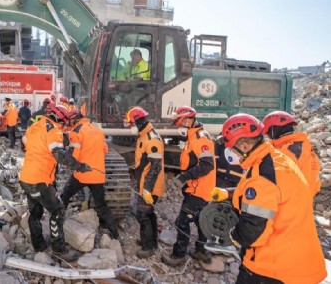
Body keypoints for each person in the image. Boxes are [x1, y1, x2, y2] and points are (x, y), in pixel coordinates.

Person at [219, 113, 327, 283]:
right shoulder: (278, 160)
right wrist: (230, 194)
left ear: (245, 146)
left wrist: (233, 235)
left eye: (232, 149)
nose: (233, 154)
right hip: (297, 260)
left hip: (273, 268)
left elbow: (253, 232)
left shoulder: (262, 175)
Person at [20, 104, 92, 262]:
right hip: (40, 180)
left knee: (35, 213)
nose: (65, 125)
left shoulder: (35, 126)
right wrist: (79, 166)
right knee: (58, 210)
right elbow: (61, 156)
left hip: (27, 177)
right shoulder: (53, 130)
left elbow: (23, 145)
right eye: (65, 122)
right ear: (60, 118)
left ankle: (39, 246)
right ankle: (59, 249)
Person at [162, 105, 216, 266]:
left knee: (182, 222)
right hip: (198, 188)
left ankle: (178, 256)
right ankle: (201, 251)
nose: (178, 127)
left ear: (187, 120)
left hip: (199, 190)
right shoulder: (194, 136)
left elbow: (207, 165)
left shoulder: (200, 139)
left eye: (179, 123)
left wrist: (184, 177)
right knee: (201, 219)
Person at [60, 110, 119, 239]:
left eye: (69, 121)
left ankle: (58, 226)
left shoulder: (76, 132)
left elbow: (72, 157)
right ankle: (115, 235)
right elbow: (105, 150)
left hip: (82, 174)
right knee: (102, 205)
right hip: (97, 174)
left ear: (74, 120)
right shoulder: (97, 130)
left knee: (65, 196)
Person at [123, 106, 165, 258]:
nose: (131, 127)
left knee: (142, 214)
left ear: (138, 122)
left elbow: (155, 167)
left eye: (132, 124)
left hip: (150, 187)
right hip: (144, 184)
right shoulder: (144, 135)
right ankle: (152, 241)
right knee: (149, 213)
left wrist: (147, 189)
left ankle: (148, 248)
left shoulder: (152, 140)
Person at [262, 110, 321, 196]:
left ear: (274, 129)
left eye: (268, 132)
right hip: (306, 199)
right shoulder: (305, 146)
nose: (267, 135)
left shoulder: (286, 151)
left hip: (291, 201)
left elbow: (278, 181)